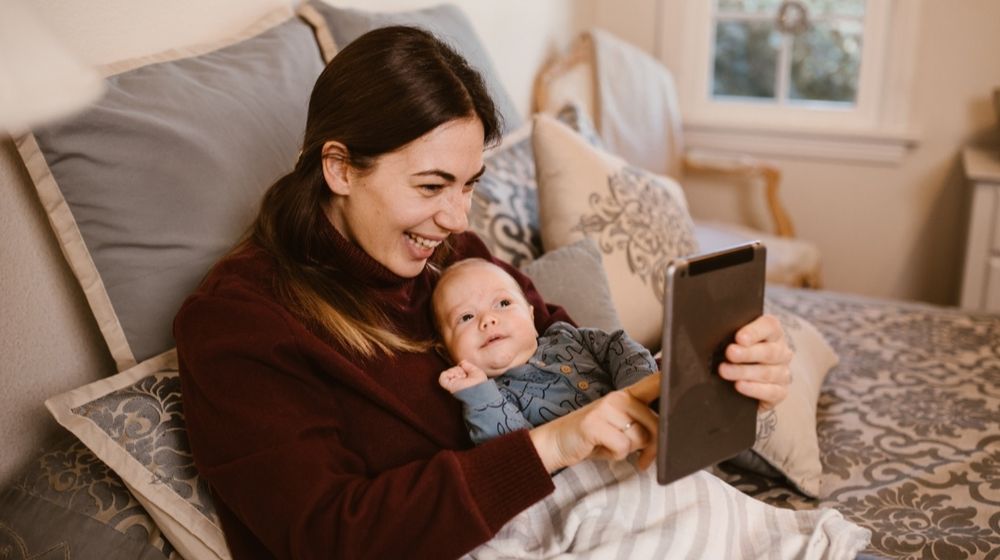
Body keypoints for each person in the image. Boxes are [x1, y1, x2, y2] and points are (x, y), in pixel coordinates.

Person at [173, 25, 793, 560]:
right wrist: (551, 443)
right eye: (431, 185)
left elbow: (571, 360)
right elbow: (331, 537)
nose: (458, 218)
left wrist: (715, 383)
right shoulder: (240, 323)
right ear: (338, 168)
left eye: (468, 184)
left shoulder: (455, 260)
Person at [433, 257, 659, 445]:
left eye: (502, 303)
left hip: (642, 427)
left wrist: (637, 393)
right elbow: (515, 452)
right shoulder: (491, 399)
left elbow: (619, 347)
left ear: (531, 316)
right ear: (446, 352)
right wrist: (478, 393)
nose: (488, 319)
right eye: (466, 317)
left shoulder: (566, 336)